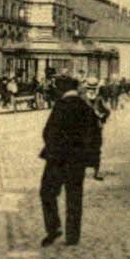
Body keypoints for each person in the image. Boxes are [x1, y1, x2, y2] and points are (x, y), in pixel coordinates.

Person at [39, 75, 101, 247]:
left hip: (57, 160)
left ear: (62, 89)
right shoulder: (86, 108)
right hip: (77, 161)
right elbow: (95, 137)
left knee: (47, 193)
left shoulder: (60, 106)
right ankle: (72, 237)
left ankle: (53, 228)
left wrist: (53, 149)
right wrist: (92, 162)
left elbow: (47, 132)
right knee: (74, 197)